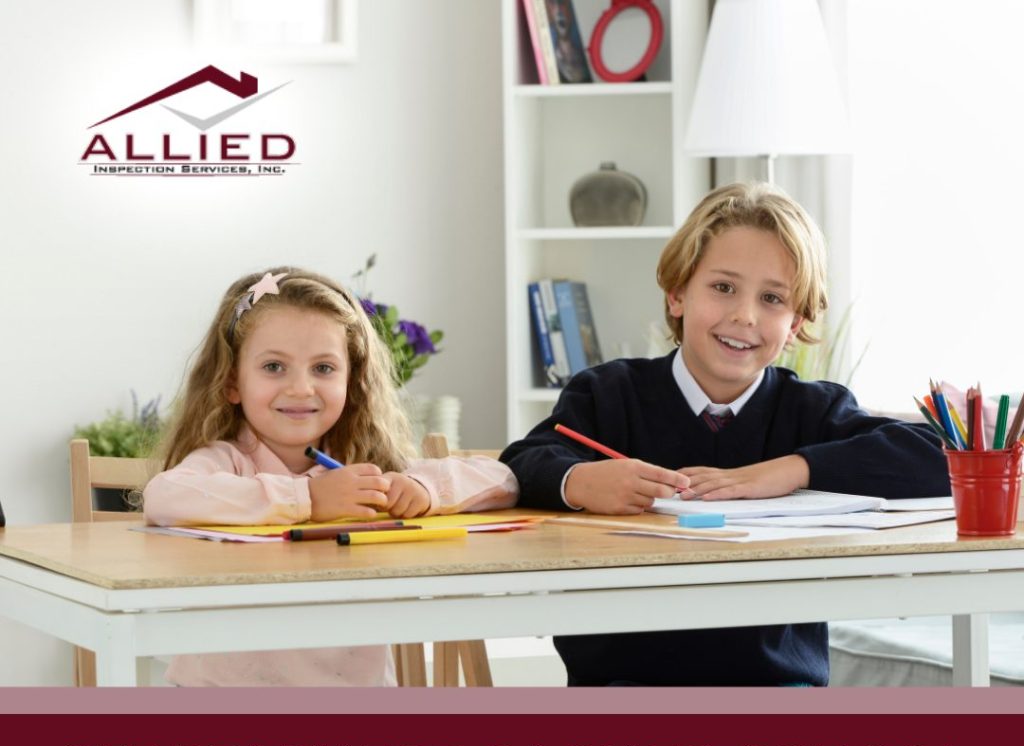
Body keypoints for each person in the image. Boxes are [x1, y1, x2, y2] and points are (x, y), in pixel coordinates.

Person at [500, 182, 949, 686]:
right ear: (677, 294)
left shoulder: (812, 410)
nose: (744, 316)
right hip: (623, 685)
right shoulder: (609, 394)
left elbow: (941, 454)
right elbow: (522, 462)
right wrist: (582, 481)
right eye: (723, 288)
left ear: (795, 323)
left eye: (772, 298)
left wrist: (788, 471)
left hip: (775, 691)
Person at [144, 267, 518, 686]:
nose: (301, 388)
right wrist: (309, 499)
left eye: (323, 368)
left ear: (352, 381)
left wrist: (423, 489)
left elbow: (503, 480)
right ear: (232, 382)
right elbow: (164, 495)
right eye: (274, 366)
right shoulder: (226, 461)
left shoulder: (365, 467)